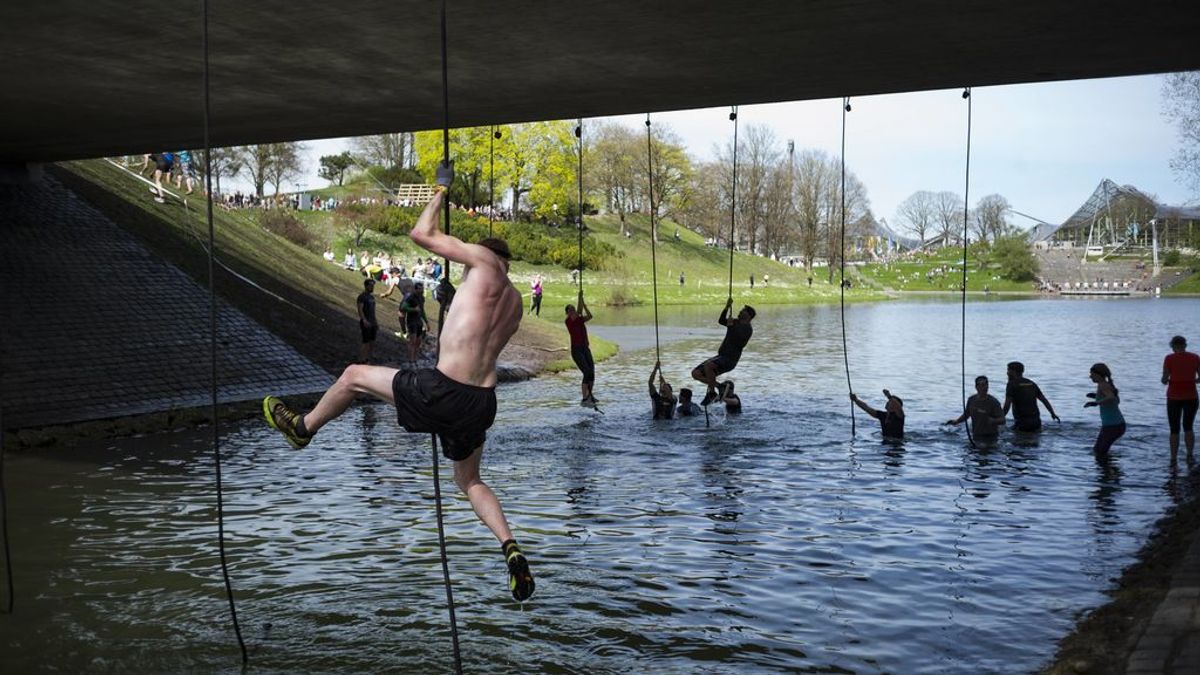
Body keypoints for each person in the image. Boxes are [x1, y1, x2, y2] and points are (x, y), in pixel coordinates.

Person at [262, 168, 534, 602]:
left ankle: (303, 429)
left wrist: (441, 189)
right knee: (469, 480)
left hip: (445, 389)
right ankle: (511, 548)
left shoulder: (482, 262)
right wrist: (453, 300)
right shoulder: (517, 302)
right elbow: (479, 334)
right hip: (482, 402)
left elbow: (421, 233)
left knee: (353, 376)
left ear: (482, 255)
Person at [691, 298, 756, 405]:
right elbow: (721, 321)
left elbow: (739, 341)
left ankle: (711, 393)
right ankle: (720, 387)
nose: (739, 312)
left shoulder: (747, 329)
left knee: (708, 366)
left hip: (729, 359)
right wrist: (726, 307)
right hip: (721, 356)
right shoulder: (735, 322)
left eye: (742, 311)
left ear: (748, 316)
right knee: (695, 374)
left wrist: (731, 327)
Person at [1162, 335, 1200, 461]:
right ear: (1185, 345)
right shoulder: (1195, 357)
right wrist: (1193, 380)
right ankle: (1190, 455)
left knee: (1174, 429)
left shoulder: (1169, 358)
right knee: (1188, 426)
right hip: (1191, 396)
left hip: (1173, 397)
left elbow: (1164, 379)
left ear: (1173, 346)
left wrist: (1166, 380)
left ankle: (1173, 457)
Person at [944, 375, 1005, 442]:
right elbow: (967, 414)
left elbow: (1002, 420)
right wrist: (956, 421)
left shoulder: (993, 402)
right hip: (975, 434)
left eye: (986, 385)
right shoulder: (971, 400)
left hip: (990, 436)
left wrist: (993, 420)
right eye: (981, 385)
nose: (984, 387)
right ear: (976, 387)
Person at [1002, 361, 1059, 432]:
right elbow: (1044, 400)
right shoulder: (1031, 383)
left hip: (1022, 423)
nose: (1007, 373)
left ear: (1013, 371)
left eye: (1008, 370)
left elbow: (1007, 405)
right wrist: (1052, 413)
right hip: (1036, 422)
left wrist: (999, 418)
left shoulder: (1012, 384)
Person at [565, 291, 597, 408]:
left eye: (573, 309)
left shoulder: (579, 319)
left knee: (592, 372)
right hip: (577, 350)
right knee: (587, 372)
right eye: (571, 310)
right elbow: (578, 312)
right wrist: (579, 298)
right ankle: (584, 399)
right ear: (567, 313)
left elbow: (590, 316)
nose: (573, 311)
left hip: (585, 348)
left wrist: (584, 305)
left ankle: (590, 396)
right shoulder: (569, 321)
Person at [1086, 363, 1125, 455]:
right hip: (1116, 425)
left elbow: (1110, 397)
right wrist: (1096, 396)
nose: (1090, 376)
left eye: (1092, 374)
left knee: (1099, 452)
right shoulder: (1107, 385)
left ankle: (1108, 468)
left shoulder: (1103, 385)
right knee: (1098, 451)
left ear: (1098, 374)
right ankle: (1108, 468)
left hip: (1113, 426)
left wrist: (1096, 403)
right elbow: (1115, 401)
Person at [400, 282, 430, 364]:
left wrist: (426, 322)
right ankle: (411, 359)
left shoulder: (422, 298)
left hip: (419, 321)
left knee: (418, 341)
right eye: (420, 289)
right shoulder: (411, 297)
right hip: (411, 320)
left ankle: (415, 359)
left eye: (422, 289)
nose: (422, 291)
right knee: (412, 340)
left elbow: (422, 310)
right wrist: (413, 309)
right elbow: (403, 307)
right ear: (416, 289)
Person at [356, 278, 378, 364]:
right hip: (366, 321)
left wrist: (375, 322)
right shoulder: (362, 297)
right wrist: (364, 320)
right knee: (366, 341)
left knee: (372, 341)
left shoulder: (372, 297)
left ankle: (368, 357)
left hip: (372, 321)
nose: (372, 287)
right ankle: (361, 359)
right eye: (371, 286)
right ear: (366, 286)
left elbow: (373, 311)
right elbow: (360, 309)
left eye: (373, 286)